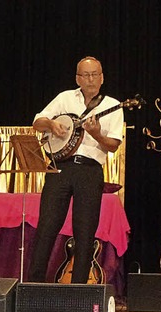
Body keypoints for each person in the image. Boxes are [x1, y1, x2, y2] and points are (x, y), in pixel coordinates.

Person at [27, 56, 123, 283]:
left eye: (95, 74)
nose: (91, 79)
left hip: (89, 171)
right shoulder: (65, 98)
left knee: (85, 232)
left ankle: (79, 289)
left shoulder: (113, 106)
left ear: (102, 77)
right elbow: (37, 122)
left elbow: (113, 146)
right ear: (77, 78)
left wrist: (97, 134)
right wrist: (51, 124)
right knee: (47, 227)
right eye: (86, 75)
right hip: (59, 168)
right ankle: (34, 285)